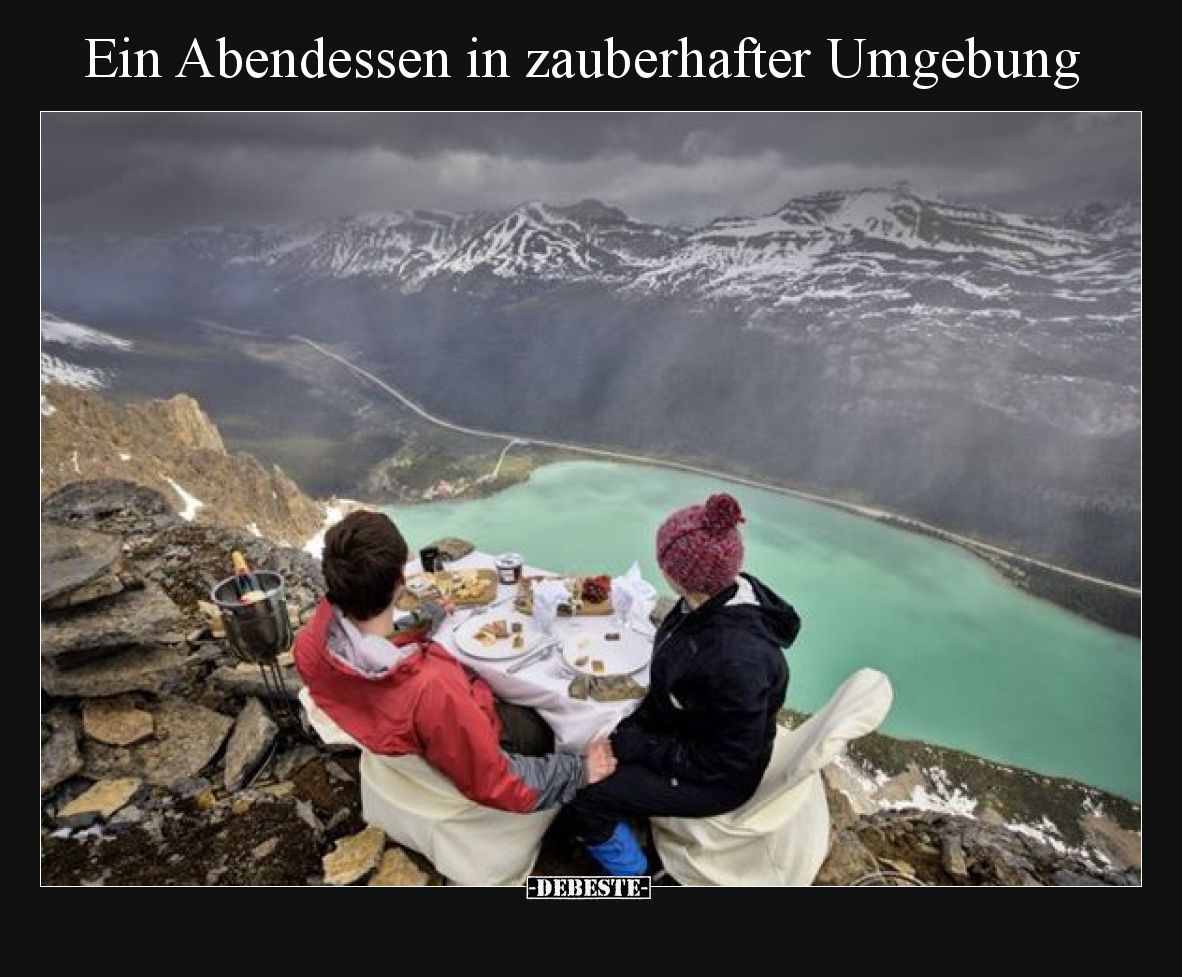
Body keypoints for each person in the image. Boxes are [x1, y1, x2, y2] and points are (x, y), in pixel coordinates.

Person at [294, 510, 615, 813]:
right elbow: (498, 782)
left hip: (393, 723)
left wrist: (425, 619)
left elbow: (375, 647)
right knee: (547, 718)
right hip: (462, 729)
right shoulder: (432, 689)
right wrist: (579, 770)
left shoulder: (310, 643)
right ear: (399, 581)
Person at [565, 492, 802, 875]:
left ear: (679, 575)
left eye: (663, 560)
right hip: (686, 735)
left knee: (587, 796)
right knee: (595, 751)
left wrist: (641, 746)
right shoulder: (715, 596)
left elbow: (727, 761)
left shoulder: (738, 661)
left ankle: (635, 880)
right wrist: (636, 732)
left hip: (717, 780)